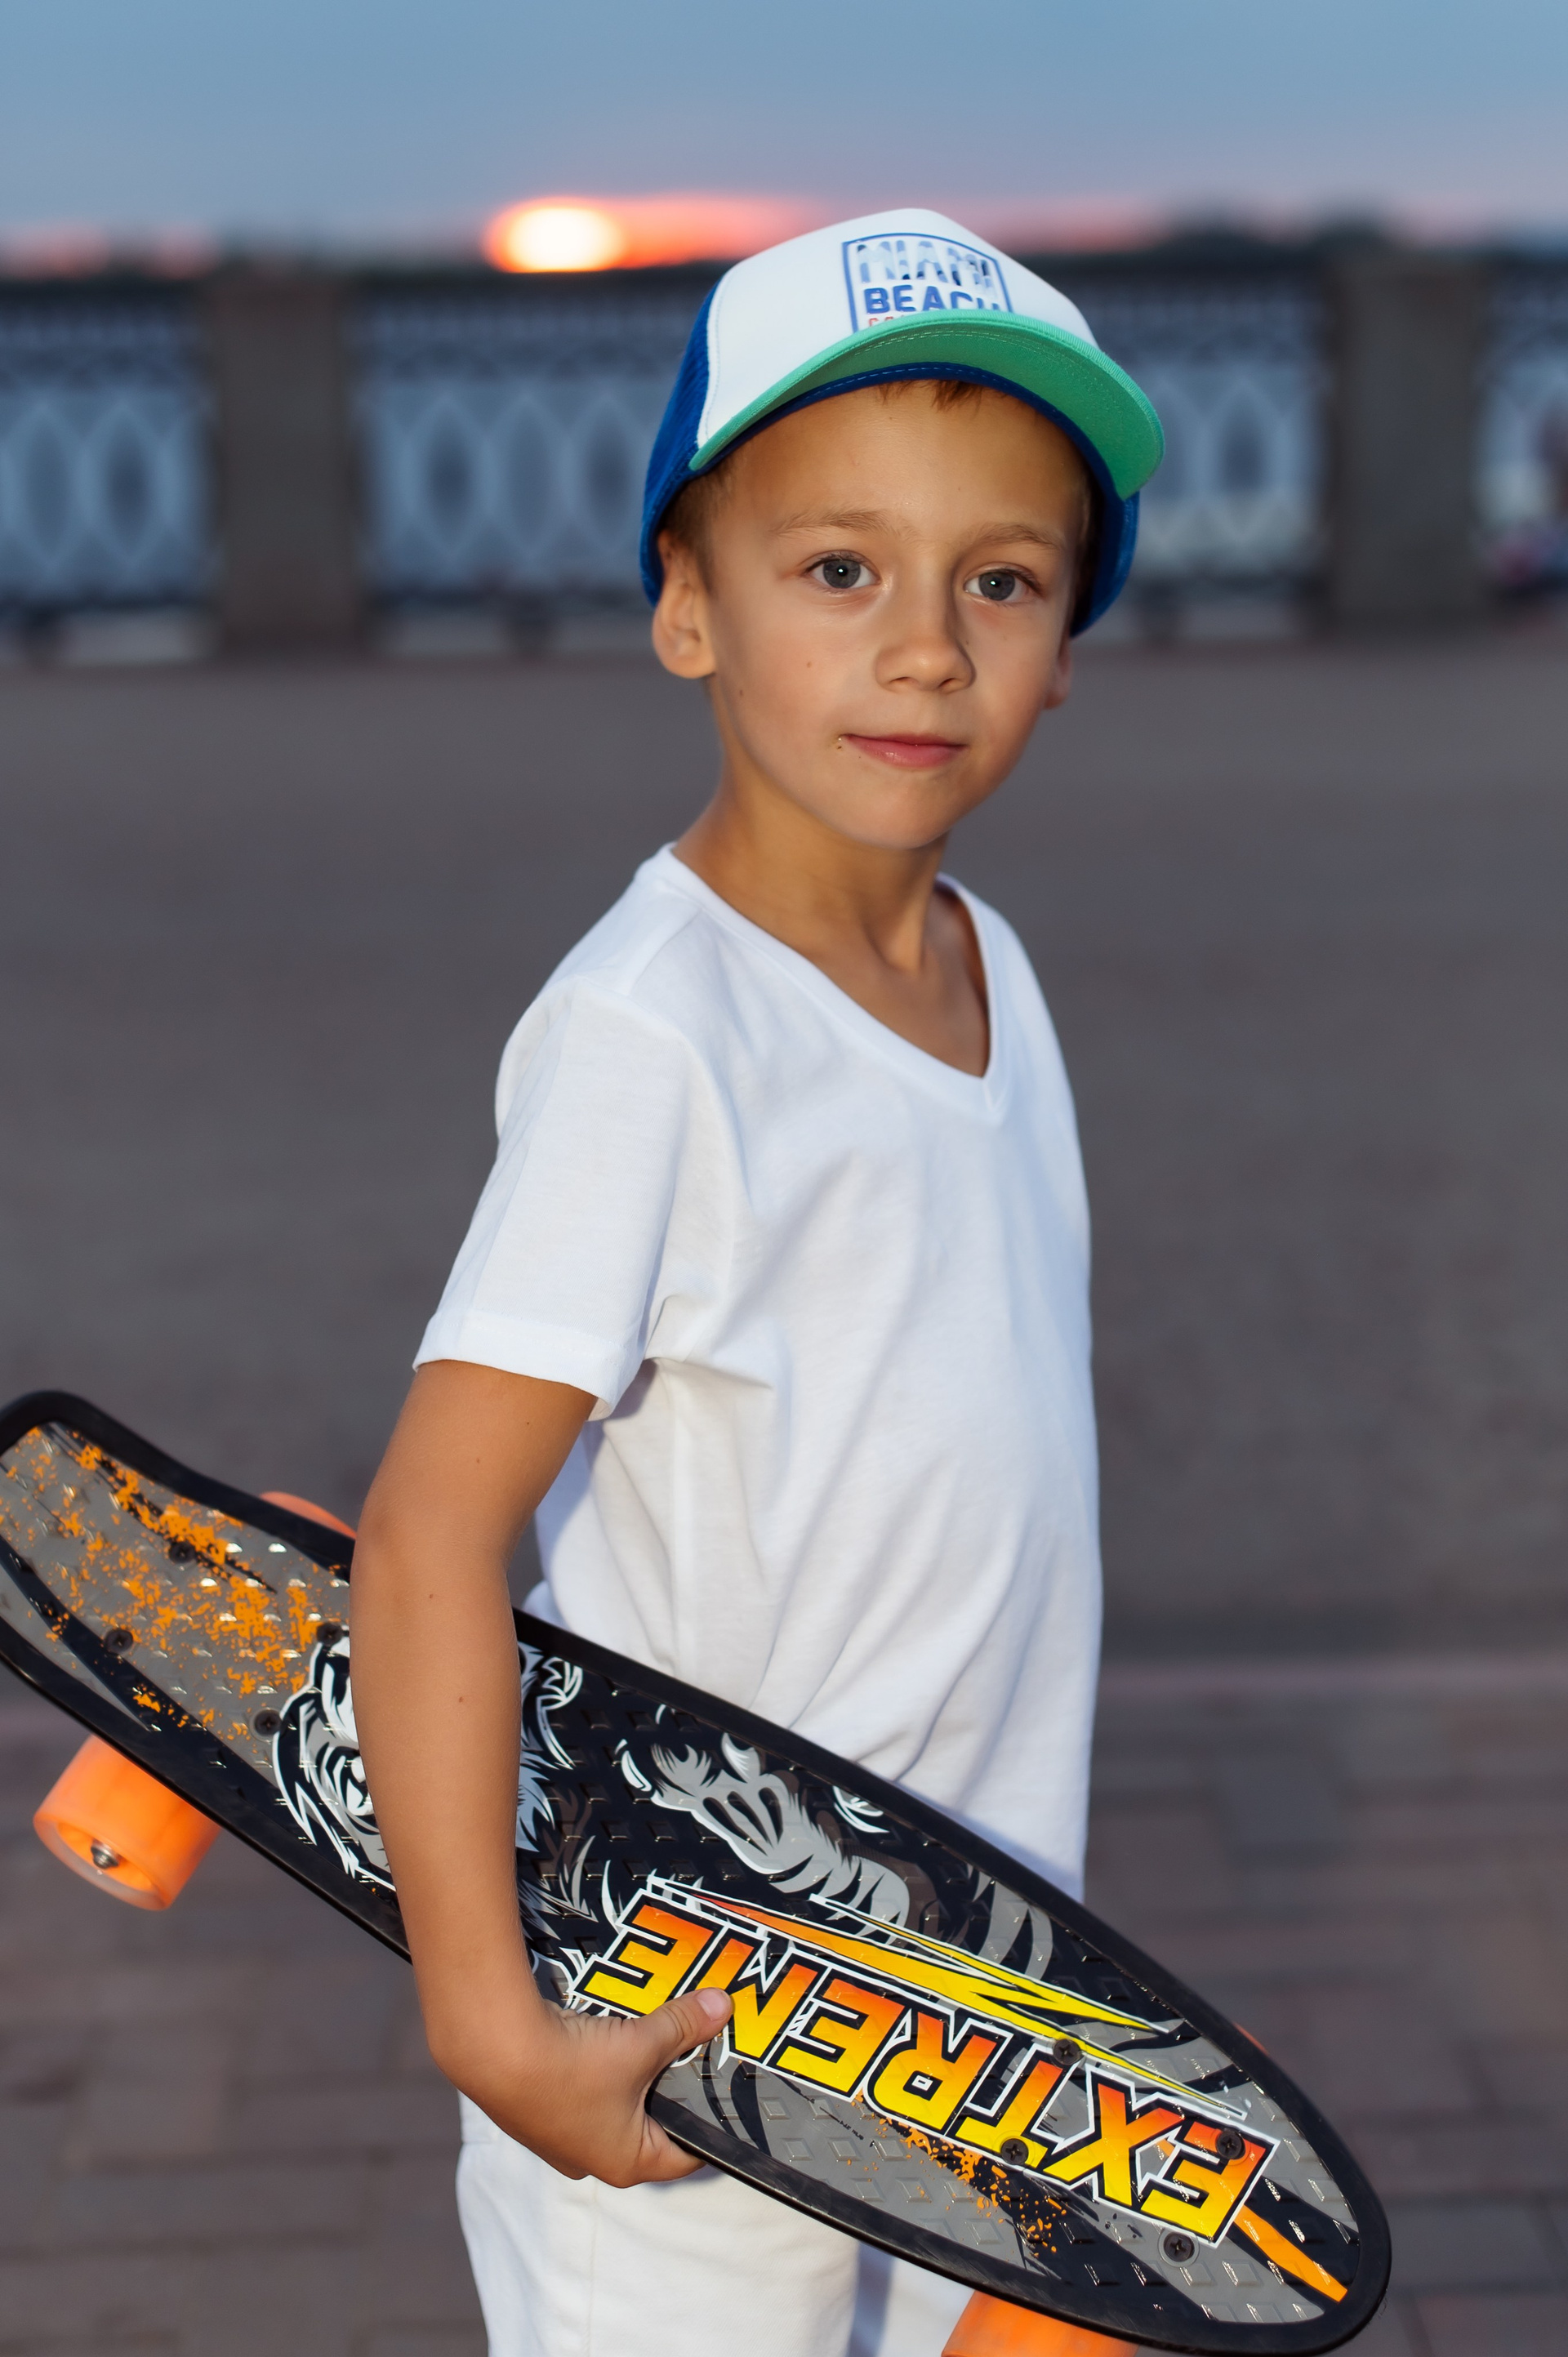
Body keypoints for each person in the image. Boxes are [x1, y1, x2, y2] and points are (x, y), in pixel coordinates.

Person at [350, 208, 1163, 2357]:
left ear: (1068, 638)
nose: (928, 650)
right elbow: (427, 1531)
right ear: (686, 607)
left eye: (1003, 580)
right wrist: (492, 2025)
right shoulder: (657, 1031)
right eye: (839, 570)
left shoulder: (996, 974)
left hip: (957, 2016)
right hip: (679, 2014)